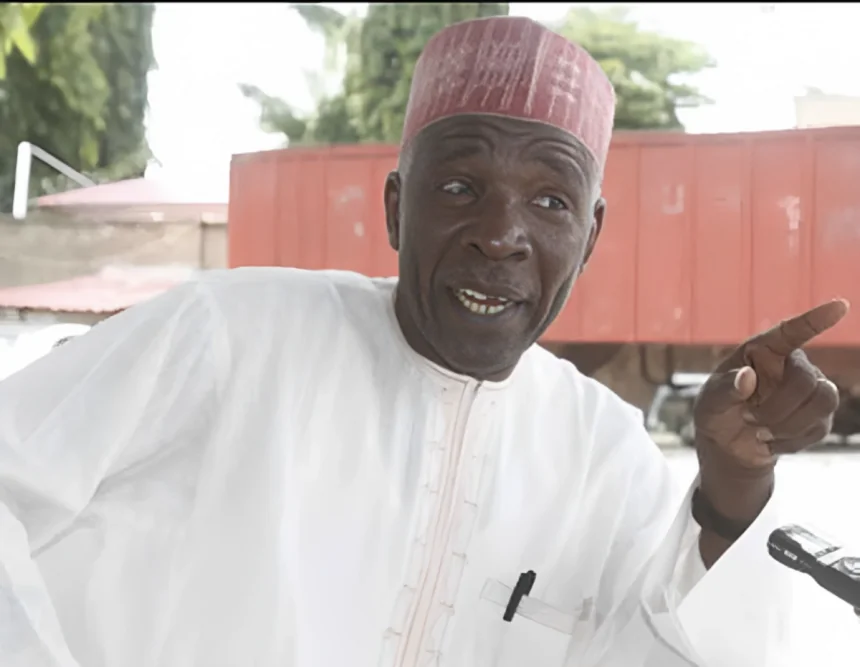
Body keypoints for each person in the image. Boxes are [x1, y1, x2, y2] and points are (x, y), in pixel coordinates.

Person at [0, 16, 848, 667]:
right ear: (396, 208)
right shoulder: (229, 335)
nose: (500, 235)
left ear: (590, 236)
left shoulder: (605, 454)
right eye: (459, 187)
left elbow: (668, 652)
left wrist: (732, 493)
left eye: (550, 201)